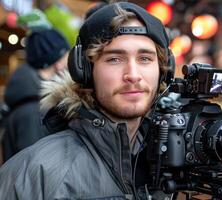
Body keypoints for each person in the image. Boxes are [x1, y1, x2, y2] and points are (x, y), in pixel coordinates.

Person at [0, 2, 174, 199]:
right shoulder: (33, 174)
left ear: (163, 71)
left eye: (145, 59)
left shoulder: (176, 167)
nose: (133, 75)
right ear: (84, 70)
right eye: (114, 59)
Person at [1, 28, 69, 161]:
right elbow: (35, 169)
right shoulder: (33, 112)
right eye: (66, 54)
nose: (69, 60)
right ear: (57, 62)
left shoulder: (33, 100)